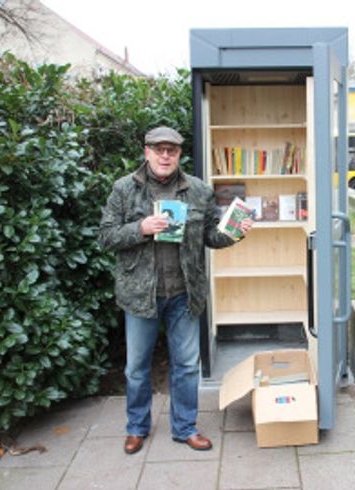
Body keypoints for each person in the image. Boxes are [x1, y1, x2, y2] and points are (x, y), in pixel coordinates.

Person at [99, 126, 252, 454]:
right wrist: (140, 228)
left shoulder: (198, 190)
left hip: (184, 293)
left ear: (180, 154)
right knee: (136, 368)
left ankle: (185, 428)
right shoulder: (124, 189)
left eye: (172, 150)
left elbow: (210, 236)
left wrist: (236, 232)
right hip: (141, 296)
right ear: (147, 152)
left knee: (185, 365)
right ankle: (137, 427)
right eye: (158, 149)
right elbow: (106, 236)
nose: (165, 155)